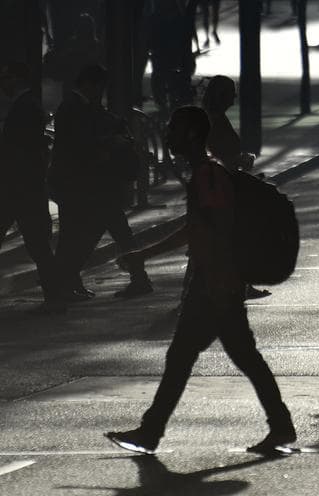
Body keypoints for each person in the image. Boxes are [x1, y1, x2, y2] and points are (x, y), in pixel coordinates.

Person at [106, 106, 296, 455]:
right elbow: (196, 228)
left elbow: (216, 227)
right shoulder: (203, 174)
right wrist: (144, 255)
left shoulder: (208, 175)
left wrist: (219, 278)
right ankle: (152, 431)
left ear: (192, 135)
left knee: (222, 356)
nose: (168, 136)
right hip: (212, 283)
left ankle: (152, 432)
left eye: (175, 130)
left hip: (216, 284)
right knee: (205, 356)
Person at [49, 65, 151, 300]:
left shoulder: (80, 106)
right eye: (99, 87)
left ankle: (67, 282)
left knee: (80, 234)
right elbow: (81, 144)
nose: (101, 92)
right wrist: (111, 142)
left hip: (88, 184)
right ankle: (68, 282)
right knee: (86, 233)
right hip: (80, 183)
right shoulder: (73, 108)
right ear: (89, 84)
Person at [0, 63, 63, 311]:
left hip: (18, 187)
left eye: (5, 78)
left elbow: (19, 151)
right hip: (25, 188)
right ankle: (55, 296)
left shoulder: (24, 107)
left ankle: (55, 296)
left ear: (15, 79)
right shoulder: (28, 105)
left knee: (38, 245)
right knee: (39, 244)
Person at [202, 75, 270, 300]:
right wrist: (240, 161)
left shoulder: (215, 118)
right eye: (231, 93)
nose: (234, 98)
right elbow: (218, 155)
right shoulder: (214, 121)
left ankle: (239, 283)